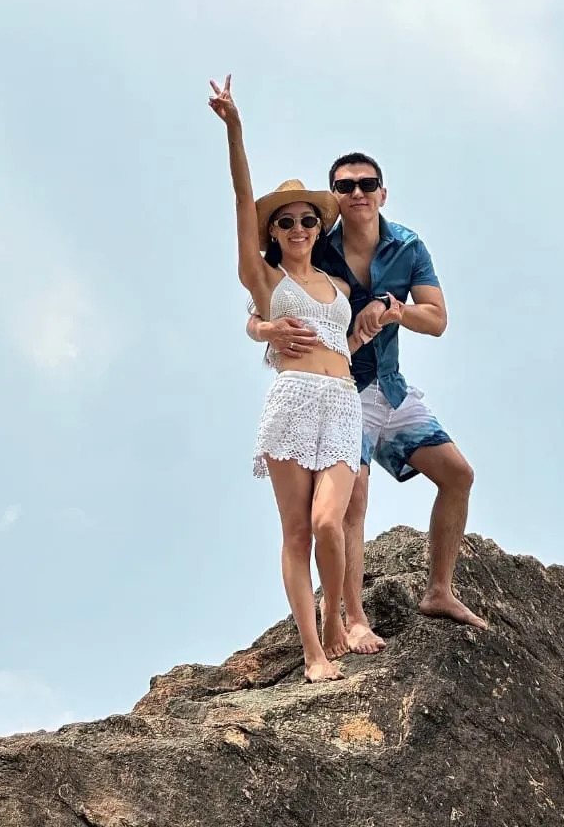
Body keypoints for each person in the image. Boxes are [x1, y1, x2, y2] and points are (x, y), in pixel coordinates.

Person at [248, 151, 488, 656]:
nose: (357, 192)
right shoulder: (315, 243)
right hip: (337, 394)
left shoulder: (407, 245)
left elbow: (437, 319)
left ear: (382, 191)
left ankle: (439, 591)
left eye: (367, 183)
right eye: (345, 185)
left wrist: (393, 309)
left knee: (458, 474)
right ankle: (352, 619)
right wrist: (264, 329)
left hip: (389, 386)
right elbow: (264, 297)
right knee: (349, 505)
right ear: (333, 196)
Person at [208, 76, 390, 683]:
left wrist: (365, 328)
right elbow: (241, 203)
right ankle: (315, 649)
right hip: (291, 403)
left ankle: (338, 616)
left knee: (327, 522)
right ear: (274, 232)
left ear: (317, 224)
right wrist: (235, 130)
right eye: (285, 222)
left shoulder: (338, 286)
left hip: (342, 404)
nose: (298, 228)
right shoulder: (265, 280)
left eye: (307, 219)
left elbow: (345, 339)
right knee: (296, 532)